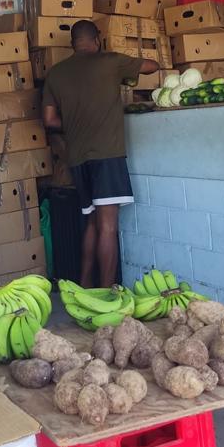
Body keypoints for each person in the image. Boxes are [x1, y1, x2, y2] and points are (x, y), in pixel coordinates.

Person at [41, 19, 158, 287]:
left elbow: (48, 119)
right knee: (108, 226)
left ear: (73, 43)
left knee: (92, 224)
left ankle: (83, 286)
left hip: (78, 159)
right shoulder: (111, 61)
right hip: (107, 155)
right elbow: (153, 66)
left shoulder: (56, 74)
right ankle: (105, 292)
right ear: (98, 39)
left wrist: (72, 121)